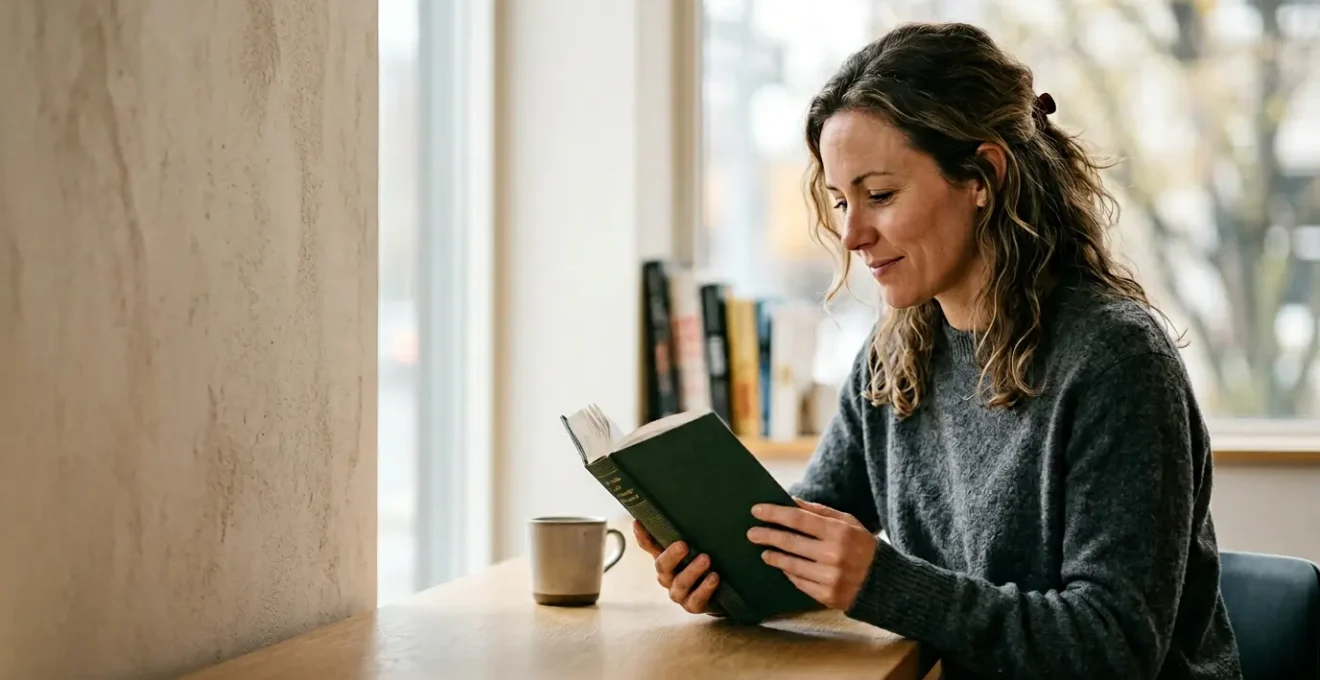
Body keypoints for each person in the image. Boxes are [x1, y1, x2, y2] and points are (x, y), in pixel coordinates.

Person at [633, 21, 1244, 680]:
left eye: (881, 195)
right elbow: (812, 533)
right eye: (841, 202)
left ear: (982, 175)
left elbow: (1112, 649)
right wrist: (719, 564)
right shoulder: (894, 352)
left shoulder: (1117, 360)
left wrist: (885, 583)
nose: (852, 235)